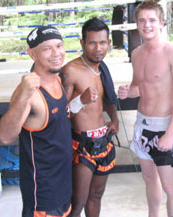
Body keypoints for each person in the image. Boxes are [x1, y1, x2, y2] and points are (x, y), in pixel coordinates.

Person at [118, 1, 173, 217]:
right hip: (142, 124)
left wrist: (169, 134)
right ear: (136, 24)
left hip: (164, 126)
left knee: (169, 185)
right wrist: (127, 92)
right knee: (149, 179)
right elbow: (138, 86)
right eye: (142, 20)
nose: (146, 25)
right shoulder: (137, 54)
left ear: (161, 23)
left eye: (151, 20)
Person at [0, 26, 72, 217]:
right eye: (47, 49)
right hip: (43, 195)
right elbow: (5, 137)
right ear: (32, 54)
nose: (56, 53)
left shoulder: (58, 79)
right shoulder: (29, 93)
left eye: (59, 46)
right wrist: (23, 95)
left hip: (63, 186)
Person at [60, 18, 119, 217]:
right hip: (82, 144)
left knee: (97, 195)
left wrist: (115, 119)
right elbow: (59, 114)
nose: (98, 48)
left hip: (104, 140)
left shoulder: (102, 67)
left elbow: (109, 98)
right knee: (78, 201)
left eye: (102, 43)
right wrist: (80, 101)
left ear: (109, 43)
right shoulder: (70, 71)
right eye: (92, 43)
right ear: (82, 43)